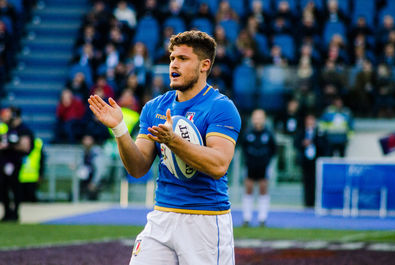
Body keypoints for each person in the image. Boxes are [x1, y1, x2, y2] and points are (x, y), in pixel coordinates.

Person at [88, 30, 241, 265]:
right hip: (162, 216)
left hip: (206, 221)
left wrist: (174, 141)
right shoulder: (154, 107)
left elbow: (219, 164)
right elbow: (138, 167)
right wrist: (119, 128)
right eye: (172, 58)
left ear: (204, 65)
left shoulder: (221, 108)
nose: (173, 65)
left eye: (182, 58)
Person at [241, 109, 276, 227]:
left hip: (263, 166)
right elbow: (243, 147)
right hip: (250, 165)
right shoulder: (248, 133)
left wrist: (265, 160)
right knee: (248, 188)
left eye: (260, 118)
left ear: (264, 119)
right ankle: (247, 218)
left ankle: (262, 218)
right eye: (256, 117)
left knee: (263, 188)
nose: (258, 120)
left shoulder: (269, 133)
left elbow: (273, 149)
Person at [0, 107, 34, 222]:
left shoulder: (23, 130)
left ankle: (15, 213)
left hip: (15, 163)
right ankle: (7, 212)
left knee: (15, 188)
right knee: (3, 188)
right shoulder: (9, 129)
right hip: (5, 163)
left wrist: (10, 146)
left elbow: (26, 147)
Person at [294, 113, 326, 208]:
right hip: (305, 162)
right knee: (306, 183)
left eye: (312, 120)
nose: (310, 122)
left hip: (316, 162)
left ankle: (317, 203)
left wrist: (313, 142)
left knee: (316, 182)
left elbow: (324, 145)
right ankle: (307, 203)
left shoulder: (320, 132)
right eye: (308, 120)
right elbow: (296, 144)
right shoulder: (301, 132)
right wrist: (303, 143)